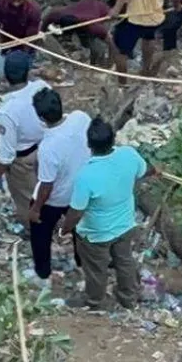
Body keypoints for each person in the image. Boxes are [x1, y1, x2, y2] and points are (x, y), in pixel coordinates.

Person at [62, 117, 158, 310]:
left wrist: (64, 229)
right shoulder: (129, 155)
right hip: (125, 225)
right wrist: (157, 171)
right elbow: (147, 170)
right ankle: (128, 297)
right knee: (124, 261)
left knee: (96, 269)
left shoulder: (86, 176)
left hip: (96, 233)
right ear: (113, 139)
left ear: (89, 144)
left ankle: (95, 300)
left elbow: (76, 212)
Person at [27, 88, 91, 287]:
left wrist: (36, 209)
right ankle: (82, 262)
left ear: (41, 117)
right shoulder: (81, 118)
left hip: (57, 198)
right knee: (80, 229)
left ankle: (43, 271)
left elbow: (46, 184)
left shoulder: (48, 147)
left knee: (40, 232)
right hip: (82, 190)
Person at [0, 51, 50, 224]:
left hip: (24, 160)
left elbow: (6, 154)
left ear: (5, 76)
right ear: (28, 72)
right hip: (45, 147)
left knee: (27, 199)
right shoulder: (42, 87)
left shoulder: (8, 110)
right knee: (47, 187)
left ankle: (34, 230)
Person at [0, 0, 42, 81]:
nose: (16, 4)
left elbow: (30, 38)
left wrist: (21, 60)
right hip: (6, 44)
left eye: (19, 0)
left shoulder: (33, 10)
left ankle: (35, 71)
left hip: (26, 47)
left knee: (20, 77)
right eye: (13, 0)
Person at [40, 0, 114, 65]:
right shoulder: (59, 15)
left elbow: (112, 43)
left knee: (95, 45)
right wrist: (41, 32)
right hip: (84, 7)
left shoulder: (93, 26)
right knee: (85, 43)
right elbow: (48, 16)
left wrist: (110, 62)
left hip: (102, 13)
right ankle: (93, 60)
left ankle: (96, 62)